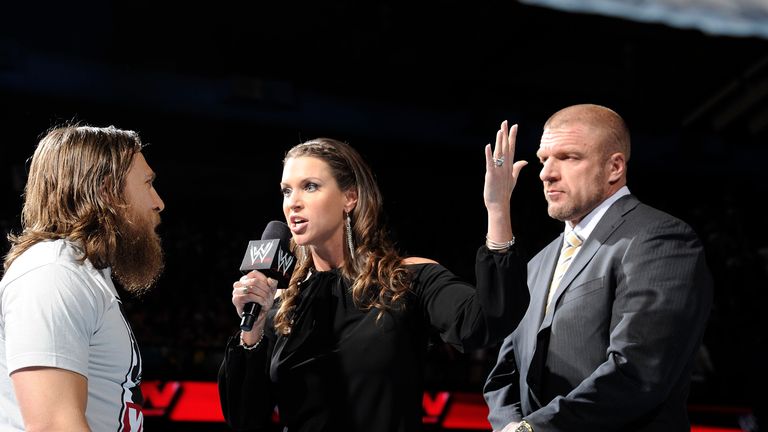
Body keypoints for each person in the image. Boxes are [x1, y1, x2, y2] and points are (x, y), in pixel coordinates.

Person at [218, 134, 530, 432]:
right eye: (287, 191)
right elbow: (245, 417)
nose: (293, 203)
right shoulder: (282, 303)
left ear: (349, 197)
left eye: (310, 187)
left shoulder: (406, 279)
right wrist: (252, 330)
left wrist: (498, 209)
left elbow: (489, 318)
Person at [483, 104, 714, 432]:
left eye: (568, 157)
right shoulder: (536, 264)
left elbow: (638, 371)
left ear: (614, 167)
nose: (546, 173)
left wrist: (533, 429)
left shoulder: (661, 238)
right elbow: (504, 375)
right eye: (543, 159)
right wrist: (510, 426)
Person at [0, 125, 165, 431]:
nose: (158, 202)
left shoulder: (80, 271)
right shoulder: (53, 273)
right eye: (147, 184)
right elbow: (52, 425)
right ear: (106, 191)